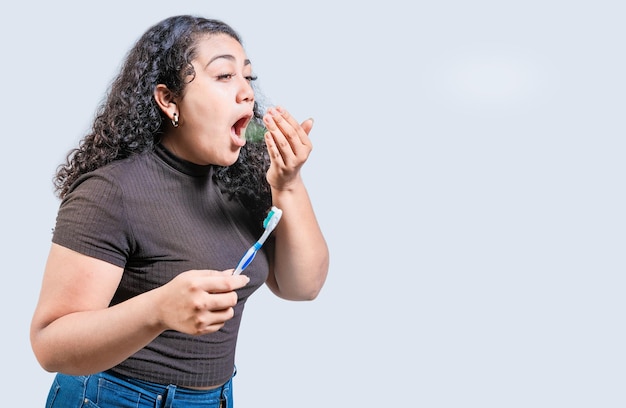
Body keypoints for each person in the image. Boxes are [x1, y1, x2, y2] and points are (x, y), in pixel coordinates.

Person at [30, 15, 329, 408]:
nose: (247, 94)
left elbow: (301, 287)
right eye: (224, 76)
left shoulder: (245, 181)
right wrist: (158, 310)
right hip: (110, 398)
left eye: (248, 78)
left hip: (217, 398)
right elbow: (50, 345)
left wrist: (288, 184)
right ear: (169, 100)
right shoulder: (111, 191)